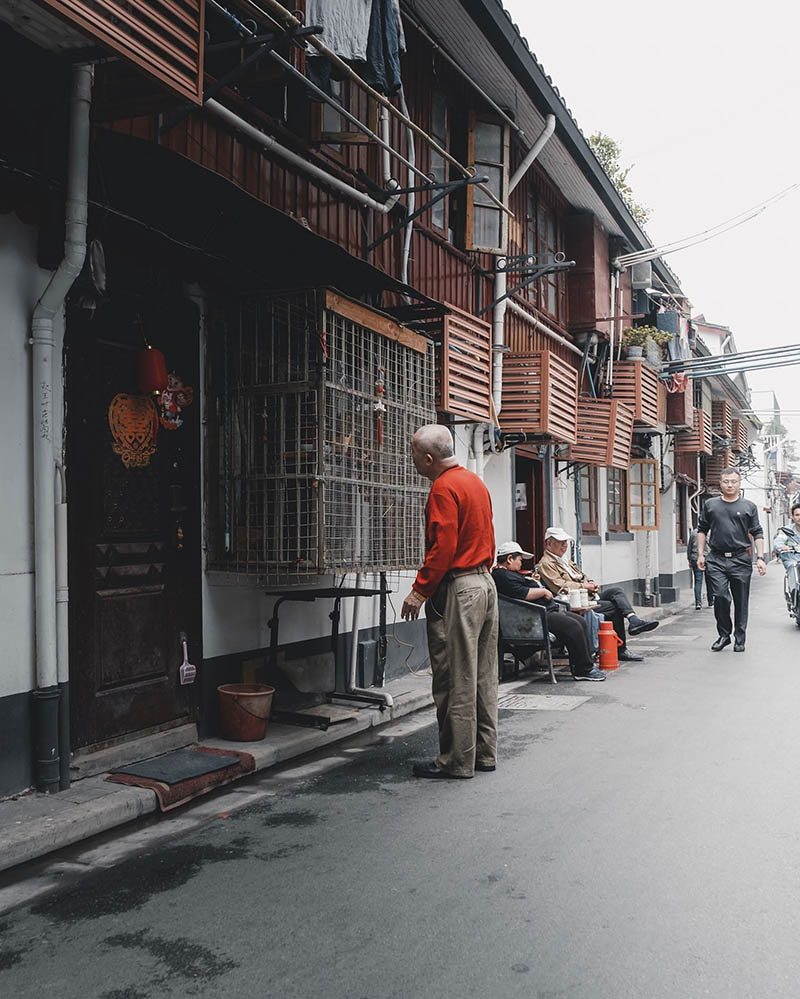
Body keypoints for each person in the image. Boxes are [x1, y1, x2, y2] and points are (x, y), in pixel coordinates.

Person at [401, 425, 498, 780]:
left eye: (413, 453)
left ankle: (456, 760)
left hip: (461, 587)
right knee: (483, 674)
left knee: (456, 677)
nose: (411, 459)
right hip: (485, 582)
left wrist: (419, 590)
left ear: (428, 459)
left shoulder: (443, 488)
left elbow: (443, 548)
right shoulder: (474, 482)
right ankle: (483, 754)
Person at [537, 526, 658, 661]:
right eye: (560, 543)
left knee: (616, 591)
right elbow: (559, 585)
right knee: (614, 606)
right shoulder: (546, 563)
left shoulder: (566, 561)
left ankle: (633, 619)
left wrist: (591, 583)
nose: (564, 546)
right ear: (549, 543)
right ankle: (620, 649)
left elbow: (582, 575)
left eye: (565, 543)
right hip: (572, 599)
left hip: (587, 595)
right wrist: (585, 586)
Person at [492, 541, 605, 681]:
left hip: (542, 612)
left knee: (580, 621)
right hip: (534, 616)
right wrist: (543, 591)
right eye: (520, 559)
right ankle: (584, 669)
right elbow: (522, 593)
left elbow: (519, 587)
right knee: (573, 627)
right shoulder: (502, 575)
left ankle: (583, 666)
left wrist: (532, 581)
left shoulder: (509, 574)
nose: (521, 563)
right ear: (509, 559)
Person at [696, 466, 766, 652]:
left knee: (741, 600)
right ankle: (724, 635)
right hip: (716, 559)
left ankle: (740, 638)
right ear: (720, 483)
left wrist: (760, 557)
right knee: (719, 596)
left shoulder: (748, 506)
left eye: (733, 481)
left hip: (741, 559)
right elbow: (702, 530)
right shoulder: (710, 504)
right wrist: (701, 554)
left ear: (739, 483)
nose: (729, 485)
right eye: (726, 481)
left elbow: (757, 532)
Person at [687, 527, 713, 610]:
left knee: (698, 581)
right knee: (710, 581)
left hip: (695, 557)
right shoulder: (710, 532)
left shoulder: (694, 533)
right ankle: (710, 601)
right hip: (708, 558)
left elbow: (689, 547)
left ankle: (698, 603)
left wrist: (689, 559)